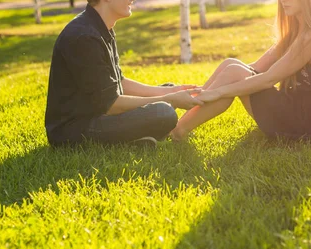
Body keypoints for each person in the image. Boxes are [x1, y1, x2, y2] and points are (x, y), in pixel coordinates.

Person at [171, 0, 311, 141]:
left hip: (307, 122)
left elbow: (268, 79)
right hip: (294, 111)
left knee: (234, 72)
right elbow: (253, 68)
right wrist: (214, 88)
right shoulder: (295, 35)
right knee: (231, 64)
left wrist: (219, 91)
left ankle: (178, 131)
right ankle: (183, 116)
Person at [45, 0, 203, 147]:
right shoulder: (83, 37)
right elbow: (111, 105)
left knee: (169, 89)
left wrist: (171, 92)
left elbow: (119, 82)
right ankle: (131, 142)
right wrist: (170, 100)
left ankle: (136, 139)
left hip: (97, 113)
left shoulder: (101, 27)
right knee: (164, 111)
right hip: (74, 130)